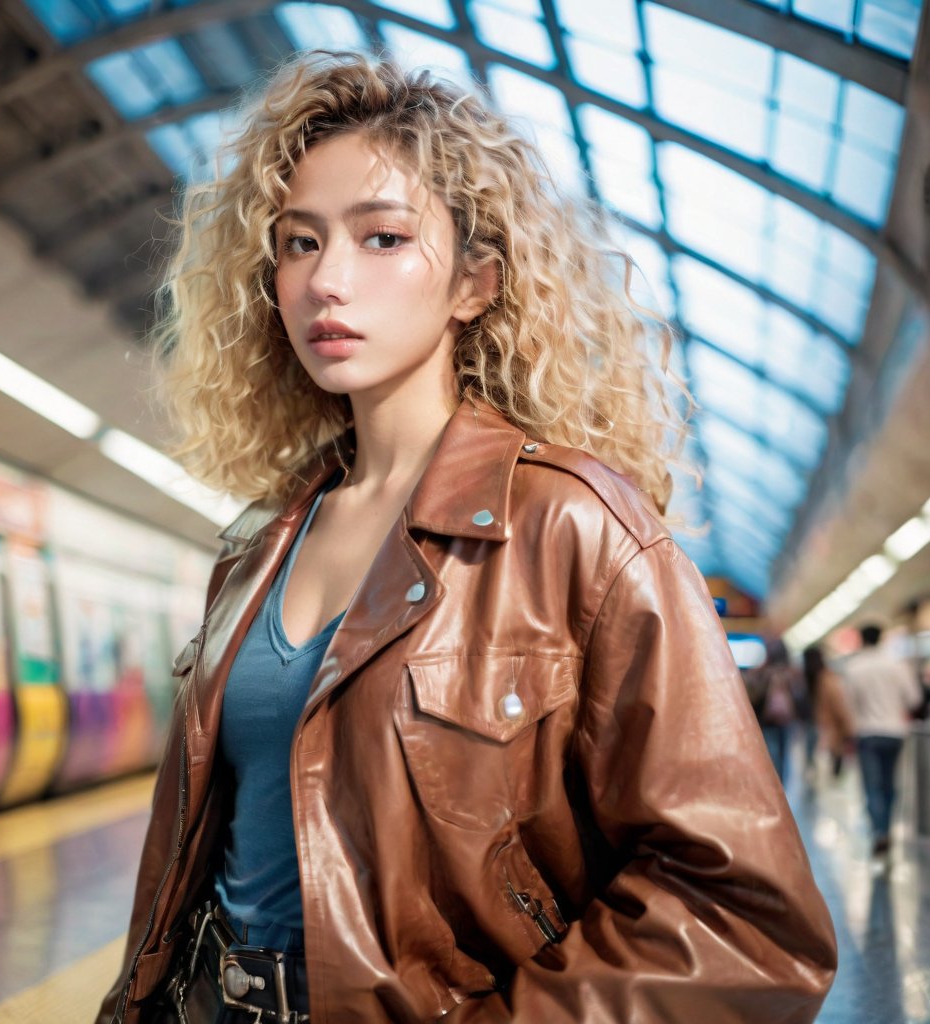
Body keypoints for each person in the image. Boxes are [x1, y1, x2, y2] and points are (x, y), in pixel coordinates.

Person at [98, 52, 835, 1024]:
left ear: (473, 284)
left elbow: (744, 917)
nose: (328, 279)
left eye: (383, 237)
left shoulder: (574, 525)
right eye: (298, 242)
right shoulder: (257, 546)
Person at [841, 624, 922, 856]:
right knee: (890, 785)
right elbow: (913, 698)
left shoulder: (853, 668)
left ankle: (879, 831)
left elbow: (848, 705)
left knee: (872, 786)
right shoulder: (896, 665)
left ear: (861, 639)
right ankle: (887, 828)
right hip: (895, 732)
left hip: (866, 733)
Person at [743, 637, 800, 783]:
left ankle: (774, 785)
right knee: (784, 755)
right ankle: (781, 785)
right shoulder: (791, 673)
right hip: (786, 721)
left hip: (766, 720)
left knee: (771, 755)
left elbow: (752, 695)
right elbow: (800, 697)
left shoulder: (761, 672)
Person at [803, 645, 854, 780]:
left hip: (808, 728)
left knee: (814, 765)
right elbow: (838, 706)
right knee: (831, 770)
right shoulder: (826, 678)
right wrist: (848, 729)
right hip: (827, 730)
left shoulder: (802, 679)